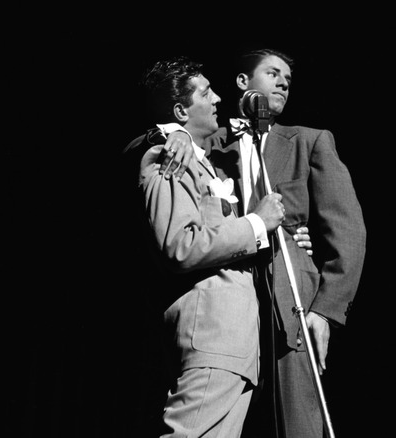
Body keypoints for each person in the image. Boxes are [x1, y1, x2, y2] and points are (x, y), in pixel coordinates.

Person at [152, 48, 367, 437]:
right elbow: (149, 148)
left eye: (288, 78)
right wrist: (174, 132)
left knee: (298, 425)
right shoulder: (205, 140)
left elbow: (348, 232)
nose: (284, 81)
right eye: (273, 73)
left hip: (291, 308)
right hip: (223, 309)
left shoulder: (309, 142)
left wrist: (325, 311)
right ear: (242, 83)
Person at [126, 56, 289, 438]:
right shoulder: (170, 154)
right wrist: (255, 223)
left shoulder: (204, 163)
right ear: (181, 110)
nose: (218, 98)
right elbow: (181, 245)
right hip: (213, 333)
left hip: (236, 341)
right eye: (206, 92)